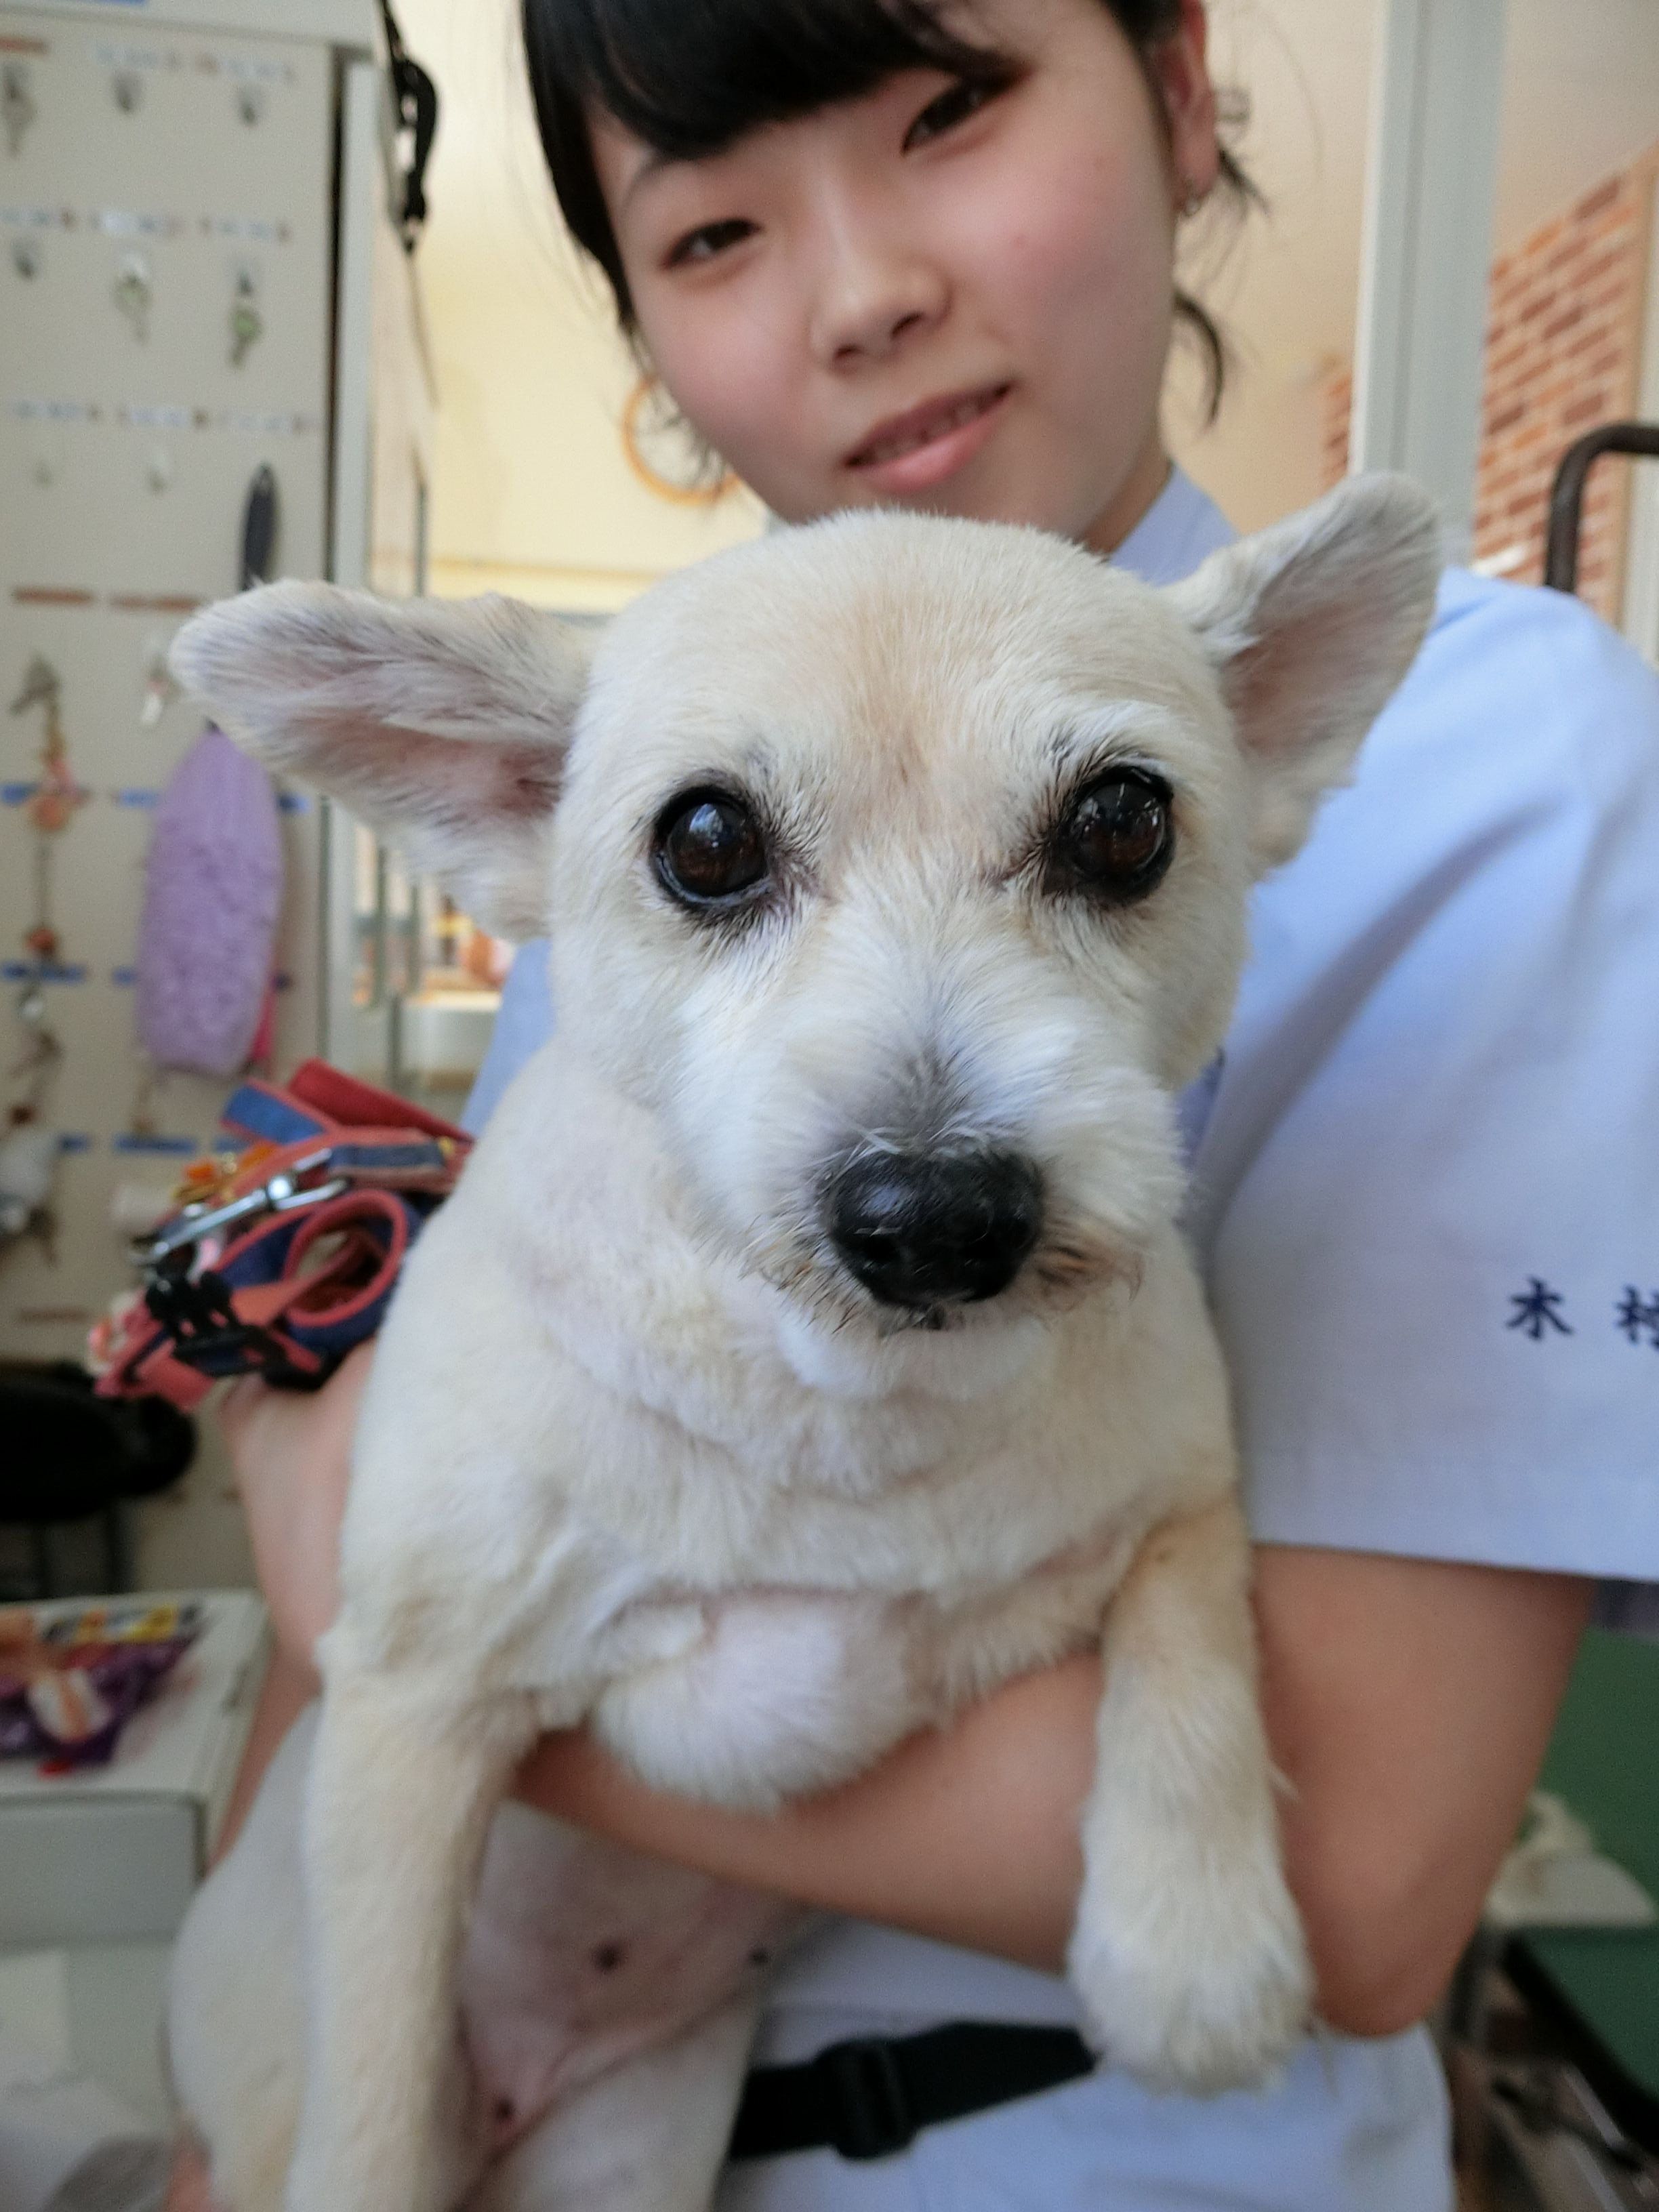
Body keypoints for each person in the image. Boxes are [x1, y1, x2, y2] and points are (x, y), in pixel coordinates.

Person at [169, 1, 1659, 2205]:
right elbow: (462, 1493)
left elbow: (1357, 1897)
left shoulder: (1501, 747)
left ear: (1180, 87)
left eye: (949, 112)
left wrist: (357, 1608)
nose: (861, 292)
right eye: (713, 231)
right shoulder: (619, 810)